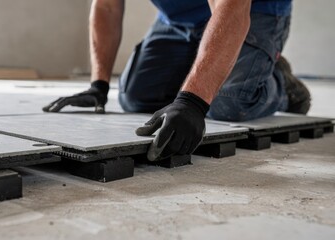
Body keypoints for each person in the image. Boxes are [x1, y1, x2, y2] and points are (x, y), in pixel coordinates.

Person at [43, 0, 311, 161]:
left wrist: (193, 100)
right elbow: (107, 6)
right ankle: (208, 66)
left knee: (228, 103)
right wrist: (98, 84)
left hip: (256, 11)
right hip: (177, 20)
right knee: (135, 98)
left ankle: (279, 81)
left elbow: (232, 6)